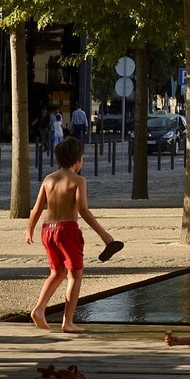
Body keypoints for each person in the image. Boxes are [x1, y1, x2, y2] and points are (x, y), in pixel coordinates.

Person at [25, 137, 117, 333]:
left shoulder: (48, 179)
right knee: (75, 275)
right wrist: (104, 235)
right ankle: (68, 322)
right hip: (67, 230)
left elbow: (37, 208)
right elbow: (83, 210)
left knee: (57, 272)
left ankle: (40, 309)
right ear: (78, 160)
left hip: (47, 230)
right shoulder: (78, 180)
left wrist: (30, 228)